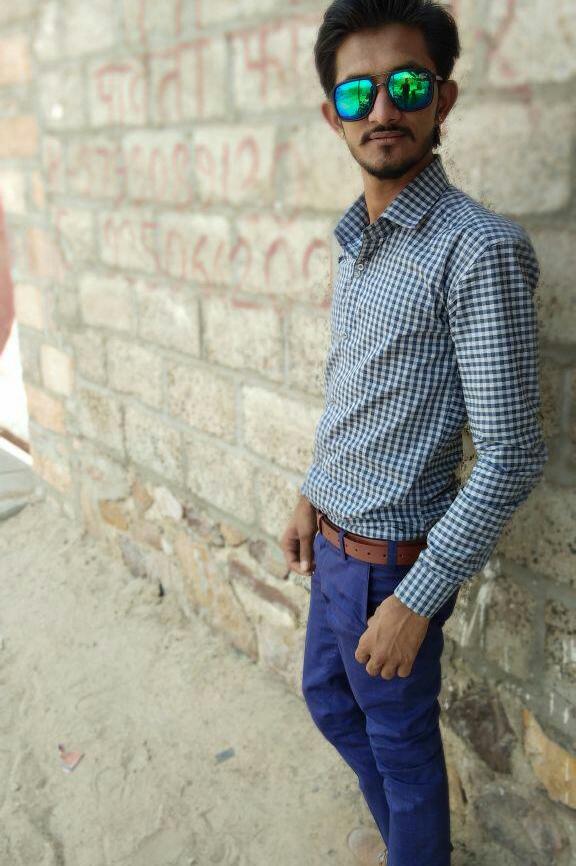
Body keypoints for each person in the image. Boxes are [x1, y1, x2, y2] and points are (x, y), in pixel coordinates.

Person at [280, 2, 548, 865]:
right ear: (334, 115)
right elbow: (355, 389)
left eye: (406, 85)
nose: (383, 109)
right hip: (334, 547)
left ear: (444, 98)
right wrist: (311, 491)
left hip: (390, 571)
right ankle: (407, 844)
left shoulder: (477, 249)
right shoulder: (358, 240)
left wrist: (414, 600)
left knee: (403, 755)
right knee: (330, 704)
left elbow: (513, 454)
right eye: (357, 93)